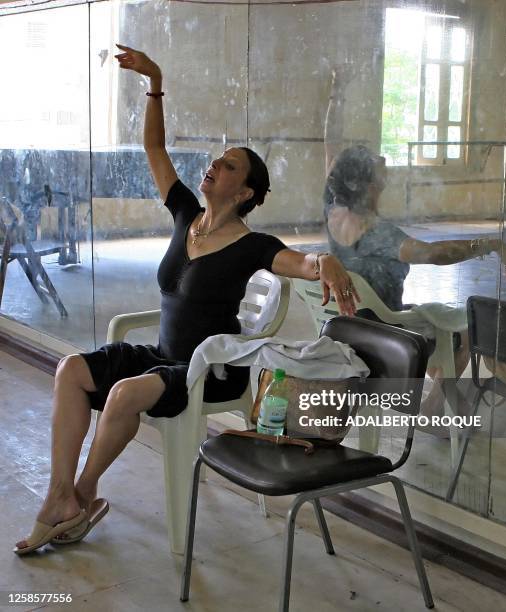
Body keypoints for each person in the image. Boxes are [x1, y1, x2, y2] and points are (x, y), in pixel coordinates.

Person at [13, 46, 359, 555]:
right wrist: (155, 81)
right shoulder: (185, 215)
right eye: (219, 158)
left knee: (125, 394)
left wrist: (325, 260)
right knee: (70, 370)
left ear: (245, 192)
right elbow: (155, 149)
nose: (215, 164)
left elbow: (301, 263)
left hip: (207, 372)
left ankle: (80, 496)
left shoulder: (253, 246)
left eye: (230, 165)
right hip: (160, 357)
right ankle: (60, 496)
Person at [323, 65, 506, 417]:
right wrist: (495, 244)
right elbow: (437, 254)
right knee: (467, 328)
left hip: (348, 322)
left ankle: (449, 405)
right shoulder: (376, 233)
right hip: (383, 331)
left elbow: (331, 142)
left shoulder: (333, 209)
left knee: (443, 320)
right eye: (374, 162)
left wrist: (337, 89)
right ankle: (436, 410)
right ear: (366, 184)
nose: (381, 158)